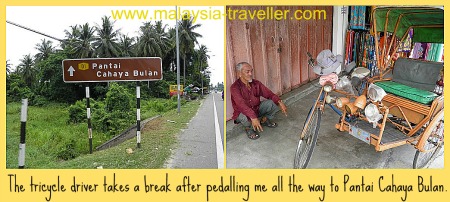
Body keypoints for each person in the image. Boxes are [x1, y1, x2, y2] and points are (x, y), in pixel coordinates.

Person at [230, 62, 288, 140]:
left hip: (256, 108)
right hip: (242, 112)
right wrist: (253, 117)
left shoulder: (256, 83)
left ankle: (264, 120)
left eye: (251, 71)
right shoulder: (235, 87)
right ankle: (248, 128)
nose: (250, 74)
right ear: (239, 73)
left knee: (272, 103)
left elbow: (269, 94)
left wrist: (280, 102)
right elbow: (241, 105)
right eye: (247, 71)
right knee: (244, 117)